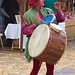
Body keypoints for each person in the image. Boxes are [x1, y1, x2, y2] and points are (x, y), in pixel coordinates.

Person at [22, 0, 65, 75]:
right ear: (35, 1)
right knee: (36, 68)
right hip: (38, 45)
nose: (43, 0)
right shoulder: (27, 15)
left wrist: (58, 10)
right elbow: (24, 30)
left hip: (50, 43)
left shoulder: (48, 11)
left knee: (50, 69)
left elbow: (61, 19)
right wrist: (34, 25)